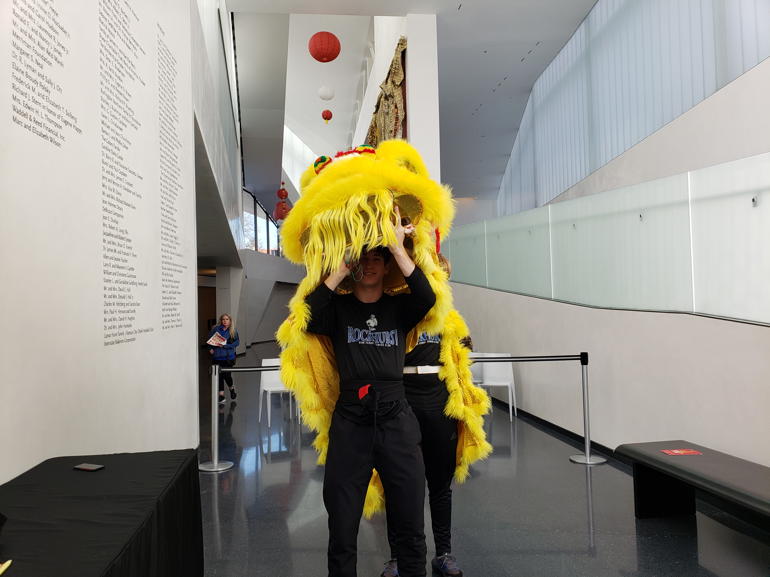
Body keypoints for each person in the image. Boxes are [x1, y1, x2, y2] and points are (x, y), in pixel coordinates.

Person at [304, 211, 435, 577]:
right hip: (350, 421)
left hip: (396, 418)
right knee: (342, 528)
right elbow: (308, 314)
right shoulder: (338, 310)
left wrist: (395, 245)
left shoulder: (398, 306)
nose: (371, 263)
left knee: (410, 524)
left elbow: (426, 296)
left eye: (378, 257)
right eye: (365, 257)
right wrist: (343, 266)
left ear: (386, 263)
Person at [381, 256, 466, 577]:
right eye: (431, 275)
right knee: (398, 482)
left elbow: (462, 361)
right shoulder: (402, 309)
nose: (436, 280)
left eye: (442, 276)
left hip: (440, 400)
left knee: (440, 483)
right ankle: (397, 556)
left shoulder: (451, 318)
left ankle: (443, 552)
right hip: (402, 397)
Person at [206, 313, 239, 403]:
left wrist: (226, 345)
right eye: (223, 319)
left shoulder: (233, 331)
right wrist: (210, 349)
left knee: (227, 376)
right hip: (217, 357)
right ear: (221, 320)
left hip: (228, 357)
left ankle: (231, 388)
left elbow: (236, 343)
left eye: (227, 319)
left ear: (230, 321)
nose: (225, 321)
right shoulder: (215, 330)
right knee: (219, 376)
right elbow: (209, 341)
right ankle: (221, 395)